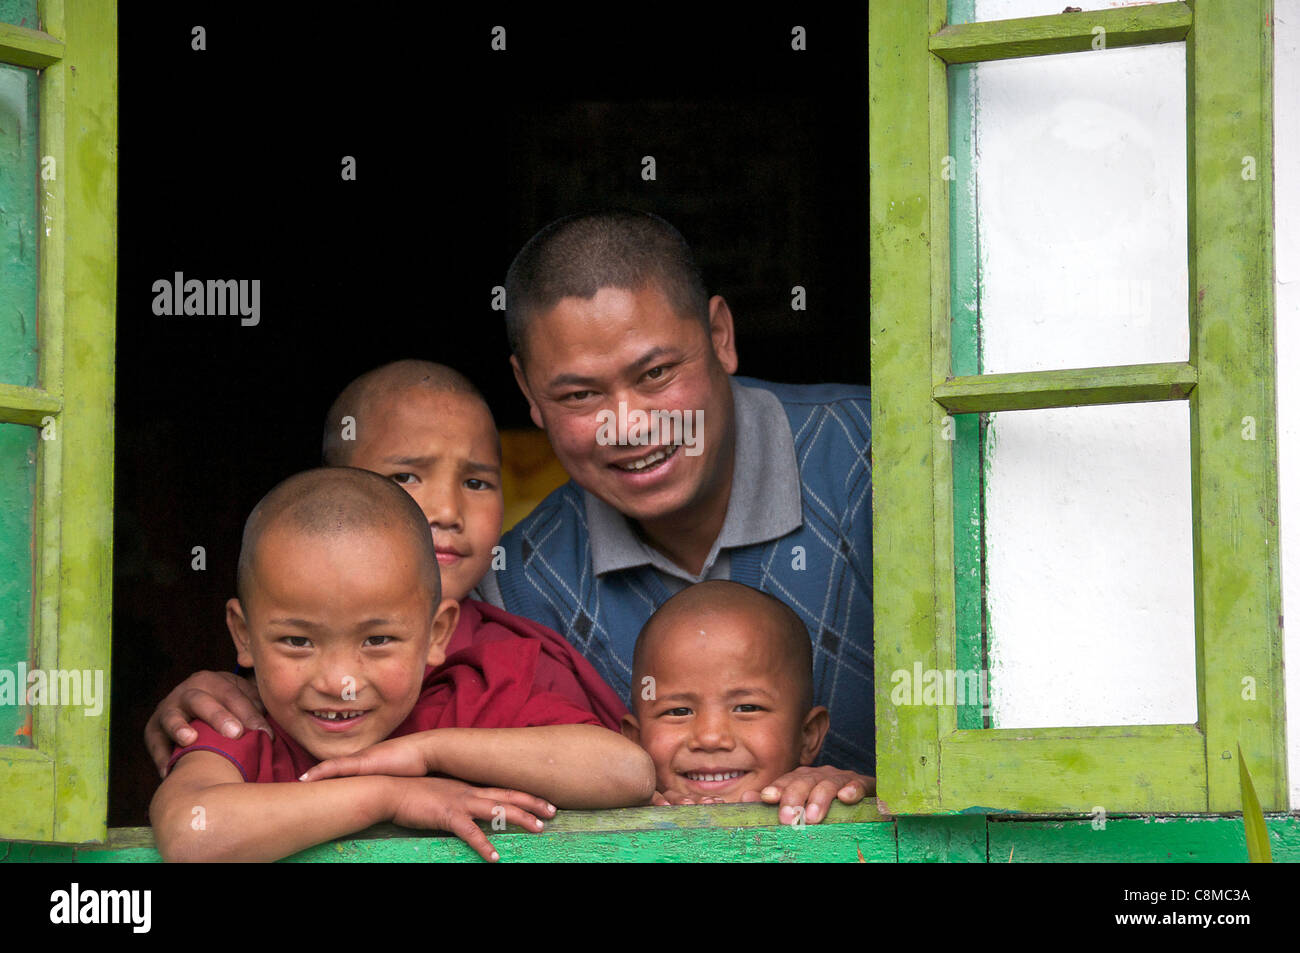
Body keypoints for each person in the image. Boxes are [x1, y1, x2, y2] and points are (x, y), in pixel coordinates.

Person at [147, 210, 875, 822]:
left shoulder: (883, 469)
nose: (628, 425)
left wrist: (872, 789)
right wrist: (234, 699)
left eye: (655, 374)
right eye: (580, 395)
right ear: (528, 392)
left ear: (720, 335)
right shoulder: (516, 582)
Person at [149, 468, 654, 862]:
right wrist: (391, 797)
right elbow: (189, 833)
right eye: (298, 641)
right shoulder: (246, 724)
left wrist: (428, 752)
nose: (339, 682)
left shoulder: (469, 695)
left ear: (437, 635)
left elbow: (626, 771)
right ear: (243, 635)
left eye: (378, 640)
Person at [623, 581, 835, 824]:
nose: (710, 738)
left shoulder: (838, 811)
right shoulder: (616, 835)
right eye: (678, 711)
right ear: (635, 742)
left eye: (747, 708)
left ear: (808, 735)